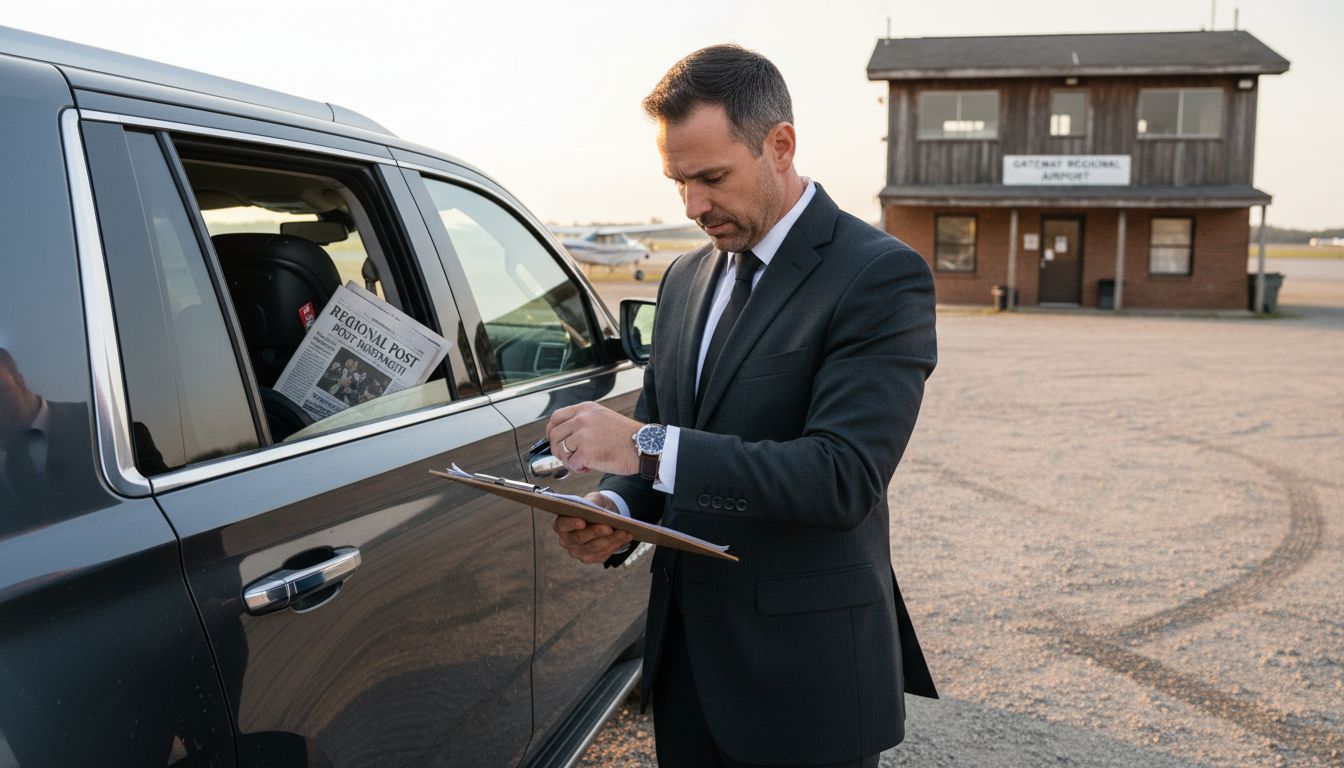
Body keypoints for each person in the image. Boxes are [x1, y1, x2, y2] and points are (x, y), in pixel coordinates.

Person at [546, 45, 938, 767]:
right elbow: (666, 448)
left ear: (780, 146)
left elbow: (842, 477)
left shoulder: (879, 275)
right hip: (686, 663)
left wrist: (642, 447)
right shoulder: (684, 279)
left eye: (713, 178)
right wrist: (618, 512)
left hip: (806, 681)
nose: (693, 207)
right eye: (678, 182)